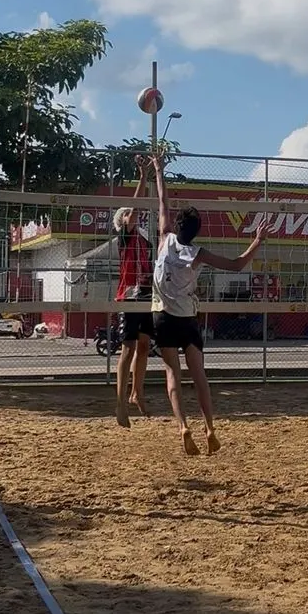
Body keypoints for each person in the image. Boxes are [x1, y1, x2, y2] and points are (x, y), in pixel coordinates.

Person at [150, 153, 267, 456]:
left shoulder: (164, 239)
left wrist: (159, 170)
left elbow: (162, 203)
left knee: (172, 375)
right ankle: (211, 429)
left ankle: (182, 427)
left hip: (162, 317)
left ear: (177, 226)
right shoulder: (198, 253)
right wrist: (257, 241)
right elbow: (238, 265)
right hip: (187, 319)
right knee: (199, 375)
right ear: (197, 232)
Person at [113, 158, 155, 428]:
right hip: (129, 295)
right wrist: (142, 177)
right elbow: (136, 207)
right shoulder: (125, 237)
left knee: (143, 346)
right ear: (123, 222)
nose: (134, 217)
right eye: (129, 215)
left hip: (147, 293)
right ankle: (119, 404)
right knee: (127, 349)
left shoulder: (144, 240)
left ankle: (136, 392)